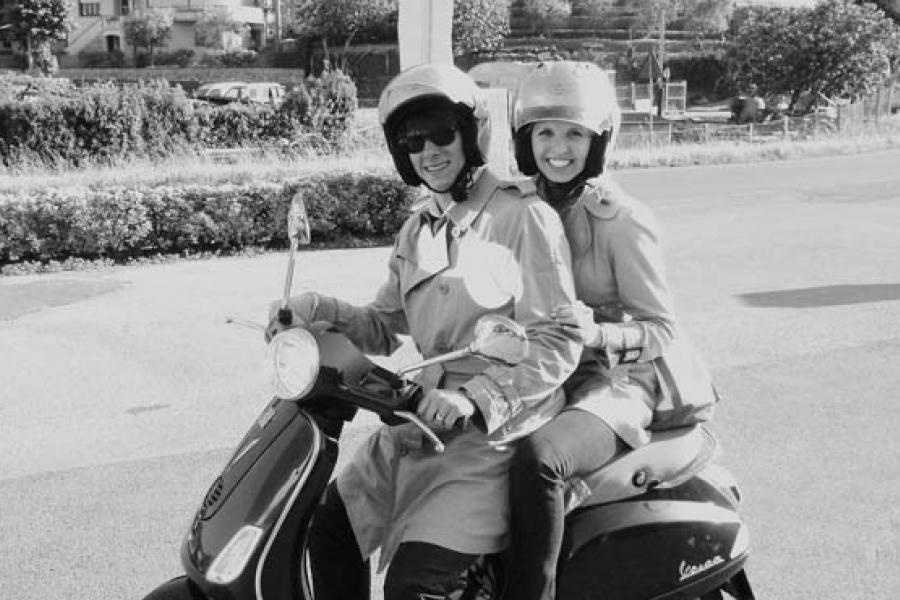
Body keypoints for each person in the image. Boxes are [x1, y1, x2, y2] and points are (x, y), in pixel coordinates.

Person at [266, 63, 583, 600]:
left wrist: (476, 398)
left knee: (417, 587)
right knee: (325, 527)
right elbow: (384, 327)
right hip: (418, 423)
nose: (429, 150)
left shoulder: (520, 218)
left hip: (490, 436)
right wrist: (314, 308)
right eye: (413, 140)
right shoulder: (418, 228)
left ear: (470, 134)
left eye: (442, 132)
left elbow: (558, 338)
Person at [505, 60, 719, 600]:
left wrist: (597, 335)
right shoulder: (512, 208)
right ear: (524, 137)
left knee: (541, 460)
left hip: (615, 380)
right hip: (537, 369)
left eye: (574, 133)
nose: (558, 147)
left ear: (598, 140)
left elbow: (662, 327)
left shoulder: (620, 218)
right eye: (545, 131)